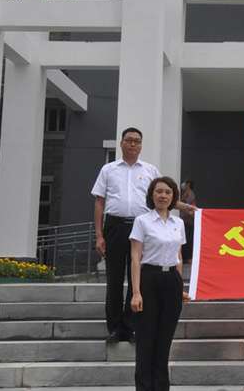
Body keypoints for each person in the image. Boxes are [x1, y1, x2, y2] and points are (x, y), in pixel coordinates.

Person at [91, 127, 195, 343]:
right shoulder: (108, 170)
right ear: (121, 143)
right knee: (114, 279)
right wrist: (99, 235)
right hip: (115, 227)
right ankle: (115, 328)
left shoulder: (150, 170)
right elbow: (99, 202)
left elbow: (164, 194)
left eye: (137, 141)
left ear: (141, 145)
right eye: (128, 140)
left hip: (143, 227)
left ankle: (130, 327)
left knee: (137, 278)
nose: (132, 144)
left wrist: (184, 207)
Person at [130, 176, 188, 391]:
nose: (163, 196)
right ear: (152, 195)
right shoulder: (142, 221)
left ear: (173, 197)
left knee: (164, 341)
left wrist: (180, 287)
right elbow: (135, 257)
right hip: (149, 279)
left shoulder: (178, 223)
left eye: (168, 192)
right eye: (159, 191)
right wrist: (136, 292)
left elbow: (179, 256)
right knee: (146, 339)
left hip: (171, 281)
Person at [179, 180, 197, 264]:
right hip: (184, 220)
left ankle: (189, 258)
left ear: (188, 184)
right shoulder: (185, 193)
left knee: (188, 239)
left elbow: (189, 207)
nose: (183, 185)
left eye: (185, 183)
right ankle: (184, 257)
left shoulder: (190, 194)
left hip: (188, 220)